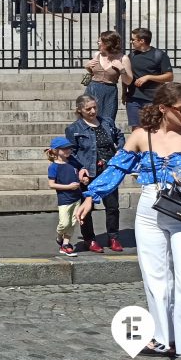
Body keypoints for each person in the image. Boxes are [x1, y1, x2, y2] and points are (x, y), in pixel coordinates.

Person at [74, 83, 181, 360]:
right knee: (155, 276)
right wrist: (92, 196)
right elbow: (117, 168)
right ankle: (164, 338)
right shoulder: (140, 135)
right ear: (163, 108)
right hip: (150, 208)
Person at [66, 94, 126, 252]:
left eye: (95, 107)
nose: (93, 111)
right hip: (89, 170)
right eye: (88, 109)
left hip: (109, 169)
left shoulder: (106, 122)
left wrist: (120, 149)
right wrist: (80, 169)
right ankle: (89, 239)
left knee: (112, 205)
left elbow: (119, 136)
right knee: (87, 207)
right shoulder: (74, 129)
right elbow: (71, 153)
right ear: (79, 110)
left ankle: (113, 237)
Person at [124, 27, 174, 129]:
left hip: (153, 99)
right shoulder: (131, 56)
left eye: (133, 39)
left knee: (154, 128)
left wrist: (148, 77)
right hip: (134, 99)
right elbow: (126, 76)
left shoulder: (159, 55)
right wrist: (124, 92)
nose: (131, 42)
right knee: (136, 130)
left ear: (142, 41)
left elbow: (169, 76)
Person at [83, 30, 131, 126]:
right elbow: (94, 72)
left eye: (100, 41)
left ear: (108, 43)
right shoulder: (97, 55)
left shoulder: (123, 58)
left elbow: (128, 81)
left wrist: (121, 69)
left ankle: (106, 141)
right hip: (93, 89)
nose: (98, 43)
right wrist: (87, 66)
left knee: (107, 121)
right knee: (89, 120)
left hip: (109, 92)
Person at [45, 137, 83, 257]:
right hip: (65, 199)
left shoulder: (72, 161)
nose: (68, 150)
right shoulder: (54, 167)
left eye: (69, 148)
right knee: (64, 223)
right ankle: (59, 236)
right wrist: (69, 187)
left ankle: (66, 244)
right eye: (64, 148)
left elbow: (81, 169)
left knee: (72, 223)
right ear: (56, 151)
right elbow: (51, 184)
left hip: (76, 197)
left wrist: (83, 178)